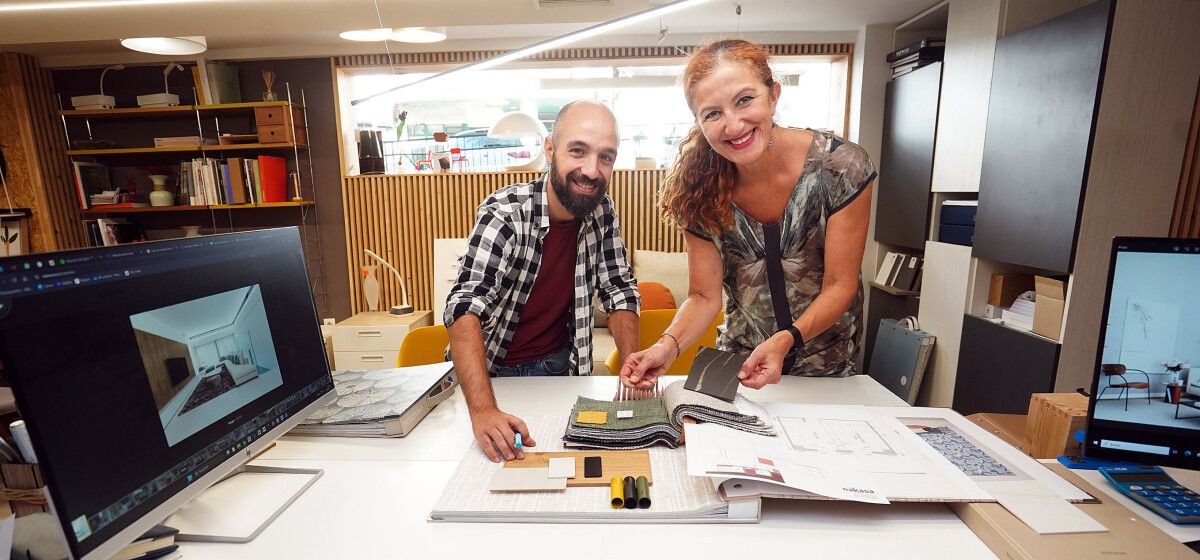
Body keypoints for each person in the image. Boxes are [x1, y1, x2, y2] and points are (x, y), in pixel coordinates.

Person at [621, 39, 876, 391]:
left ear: (773, 95)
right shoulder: (699, 189)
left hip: (826, 367)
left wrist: (785, 339)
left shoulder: (842, 167)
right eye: (712, 113)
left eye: (745, 100)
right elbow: (704, 297)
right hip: (738, 365)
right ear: (698, 122)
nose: (734, 125)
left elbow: (840, 285)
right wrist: (667, 346)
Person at [445, 100, 640, 463]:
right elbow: (464, 306)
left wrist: (630, 372)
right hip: (490, 375)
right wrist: (484, 410)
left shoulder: (602, 211)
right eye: (578, 151)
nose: (591, 170)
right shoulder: (505, 213)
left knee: (560, 466)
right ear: (550, 149)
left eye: (606, 157)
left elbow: (619, 289)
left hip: (558, 369)